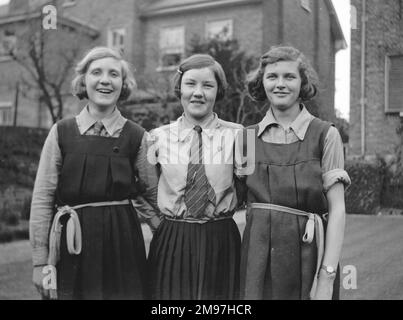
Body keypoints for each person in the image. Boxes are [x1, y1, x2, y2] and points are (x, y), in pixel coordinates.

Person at [29, 46, 161, 300]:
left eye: (114, 74)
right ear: (83, 81)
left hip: (122, 246)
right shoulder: (61, 133)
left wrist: (167, 237)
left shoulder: (137, 136)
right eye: (96, 72)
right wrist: (39, 262)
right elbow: (42, 198)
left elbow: (151, 196)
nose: (105, 80)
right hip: (71, 244)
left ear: (123, 84)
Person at [240, 46, 351, 300]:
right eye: (272, 77)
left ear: (303, 82)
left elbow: (338, 211)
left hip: (307, 254)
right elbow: (231, 198)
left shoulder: (325, 135)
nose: (280, 84)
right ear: (262, 82)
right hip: (257, 260)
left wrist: (327, 275)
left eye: (289, 77)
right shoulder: (245, 139)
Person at [147, 54, 244, 300]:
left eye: (207, 85)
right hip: (173, 237)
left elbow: (247, 187)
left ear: (218, 90)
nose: (198, 92)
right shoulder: (156, 137)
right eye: (191, 84)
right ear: (180, 88)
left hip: (220, 237)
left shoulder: (240, 136)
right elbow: (145, 187)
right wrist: (160, 224)